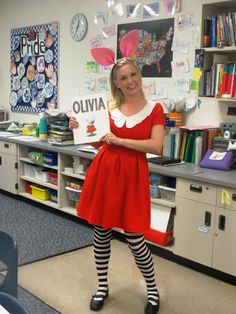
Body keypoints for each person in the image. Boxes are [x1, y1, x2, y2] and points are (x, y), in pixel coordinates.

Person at [69, 58, 165, 314]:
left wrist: (120, 140)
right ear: (116, 83)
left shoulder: (155, 109)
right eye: (123, 78)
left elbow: (156, 146)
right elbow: (99, 143)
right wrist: (81, 130)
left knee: (135, 238)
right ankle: (102, 287)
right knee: (101, 234)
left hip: (132, 178)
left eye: (133, 74)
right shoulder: (108, 109)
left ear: (139, 75)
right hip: (105, 174)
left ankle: (153, 292)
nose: (130, 81)